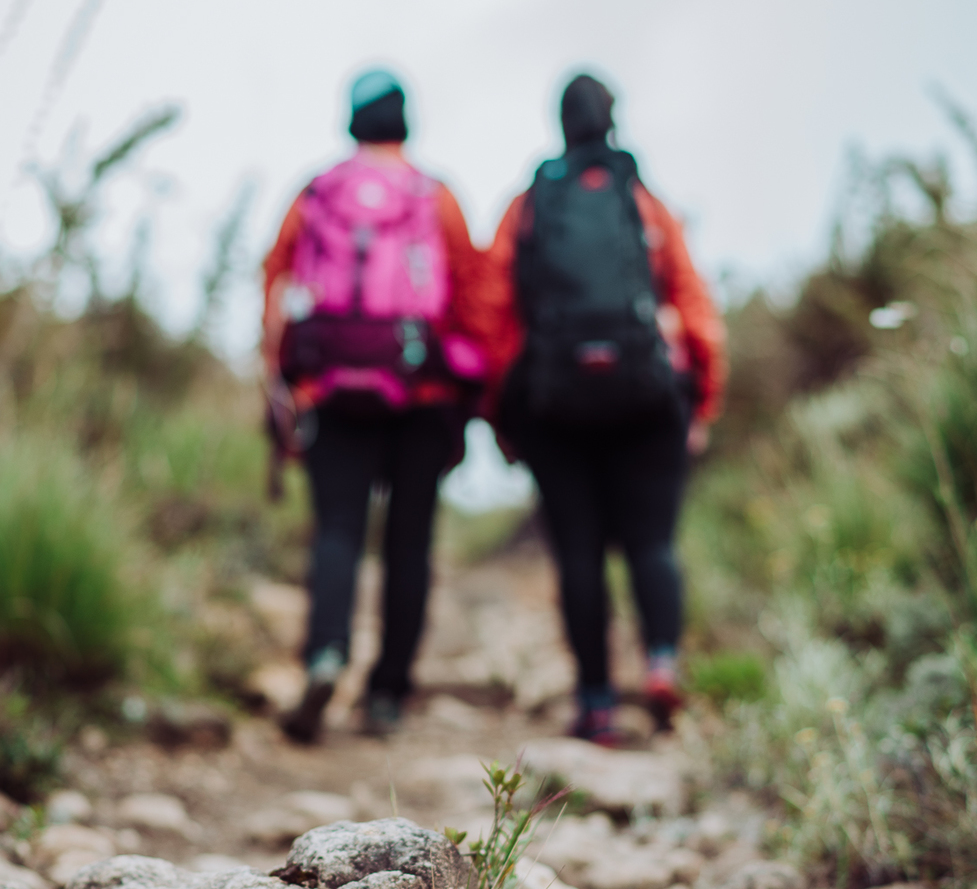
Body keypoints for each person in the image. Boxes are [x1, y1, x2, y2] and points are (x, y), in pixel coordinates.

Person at [485, 72, 726, 746]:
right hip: (648, 397)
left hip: (555, 404)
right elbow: (695, 305)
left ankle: (595, 702)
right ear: (612, 119)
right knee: (653, 542)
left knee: (578, 555)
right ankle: (661, 664)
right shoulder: (643, 201)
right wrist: (702, 399)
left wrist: (503, 411)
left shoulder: (529, 205)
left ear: (559, 123)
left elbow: (493, 309)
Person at [262, 69, 489, 743]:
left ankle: (326, 655)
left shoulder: (316, 193)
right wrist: (475, 390)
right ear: (406, 123)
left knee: (338, 530)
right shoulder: (435, 196)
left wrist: (281, 381)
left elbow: (276, 283)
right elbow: (472, 294)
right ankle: (387, 693)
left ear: (352, 123)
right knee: (408, 543)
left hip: (331, 391)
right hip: (423, 396)